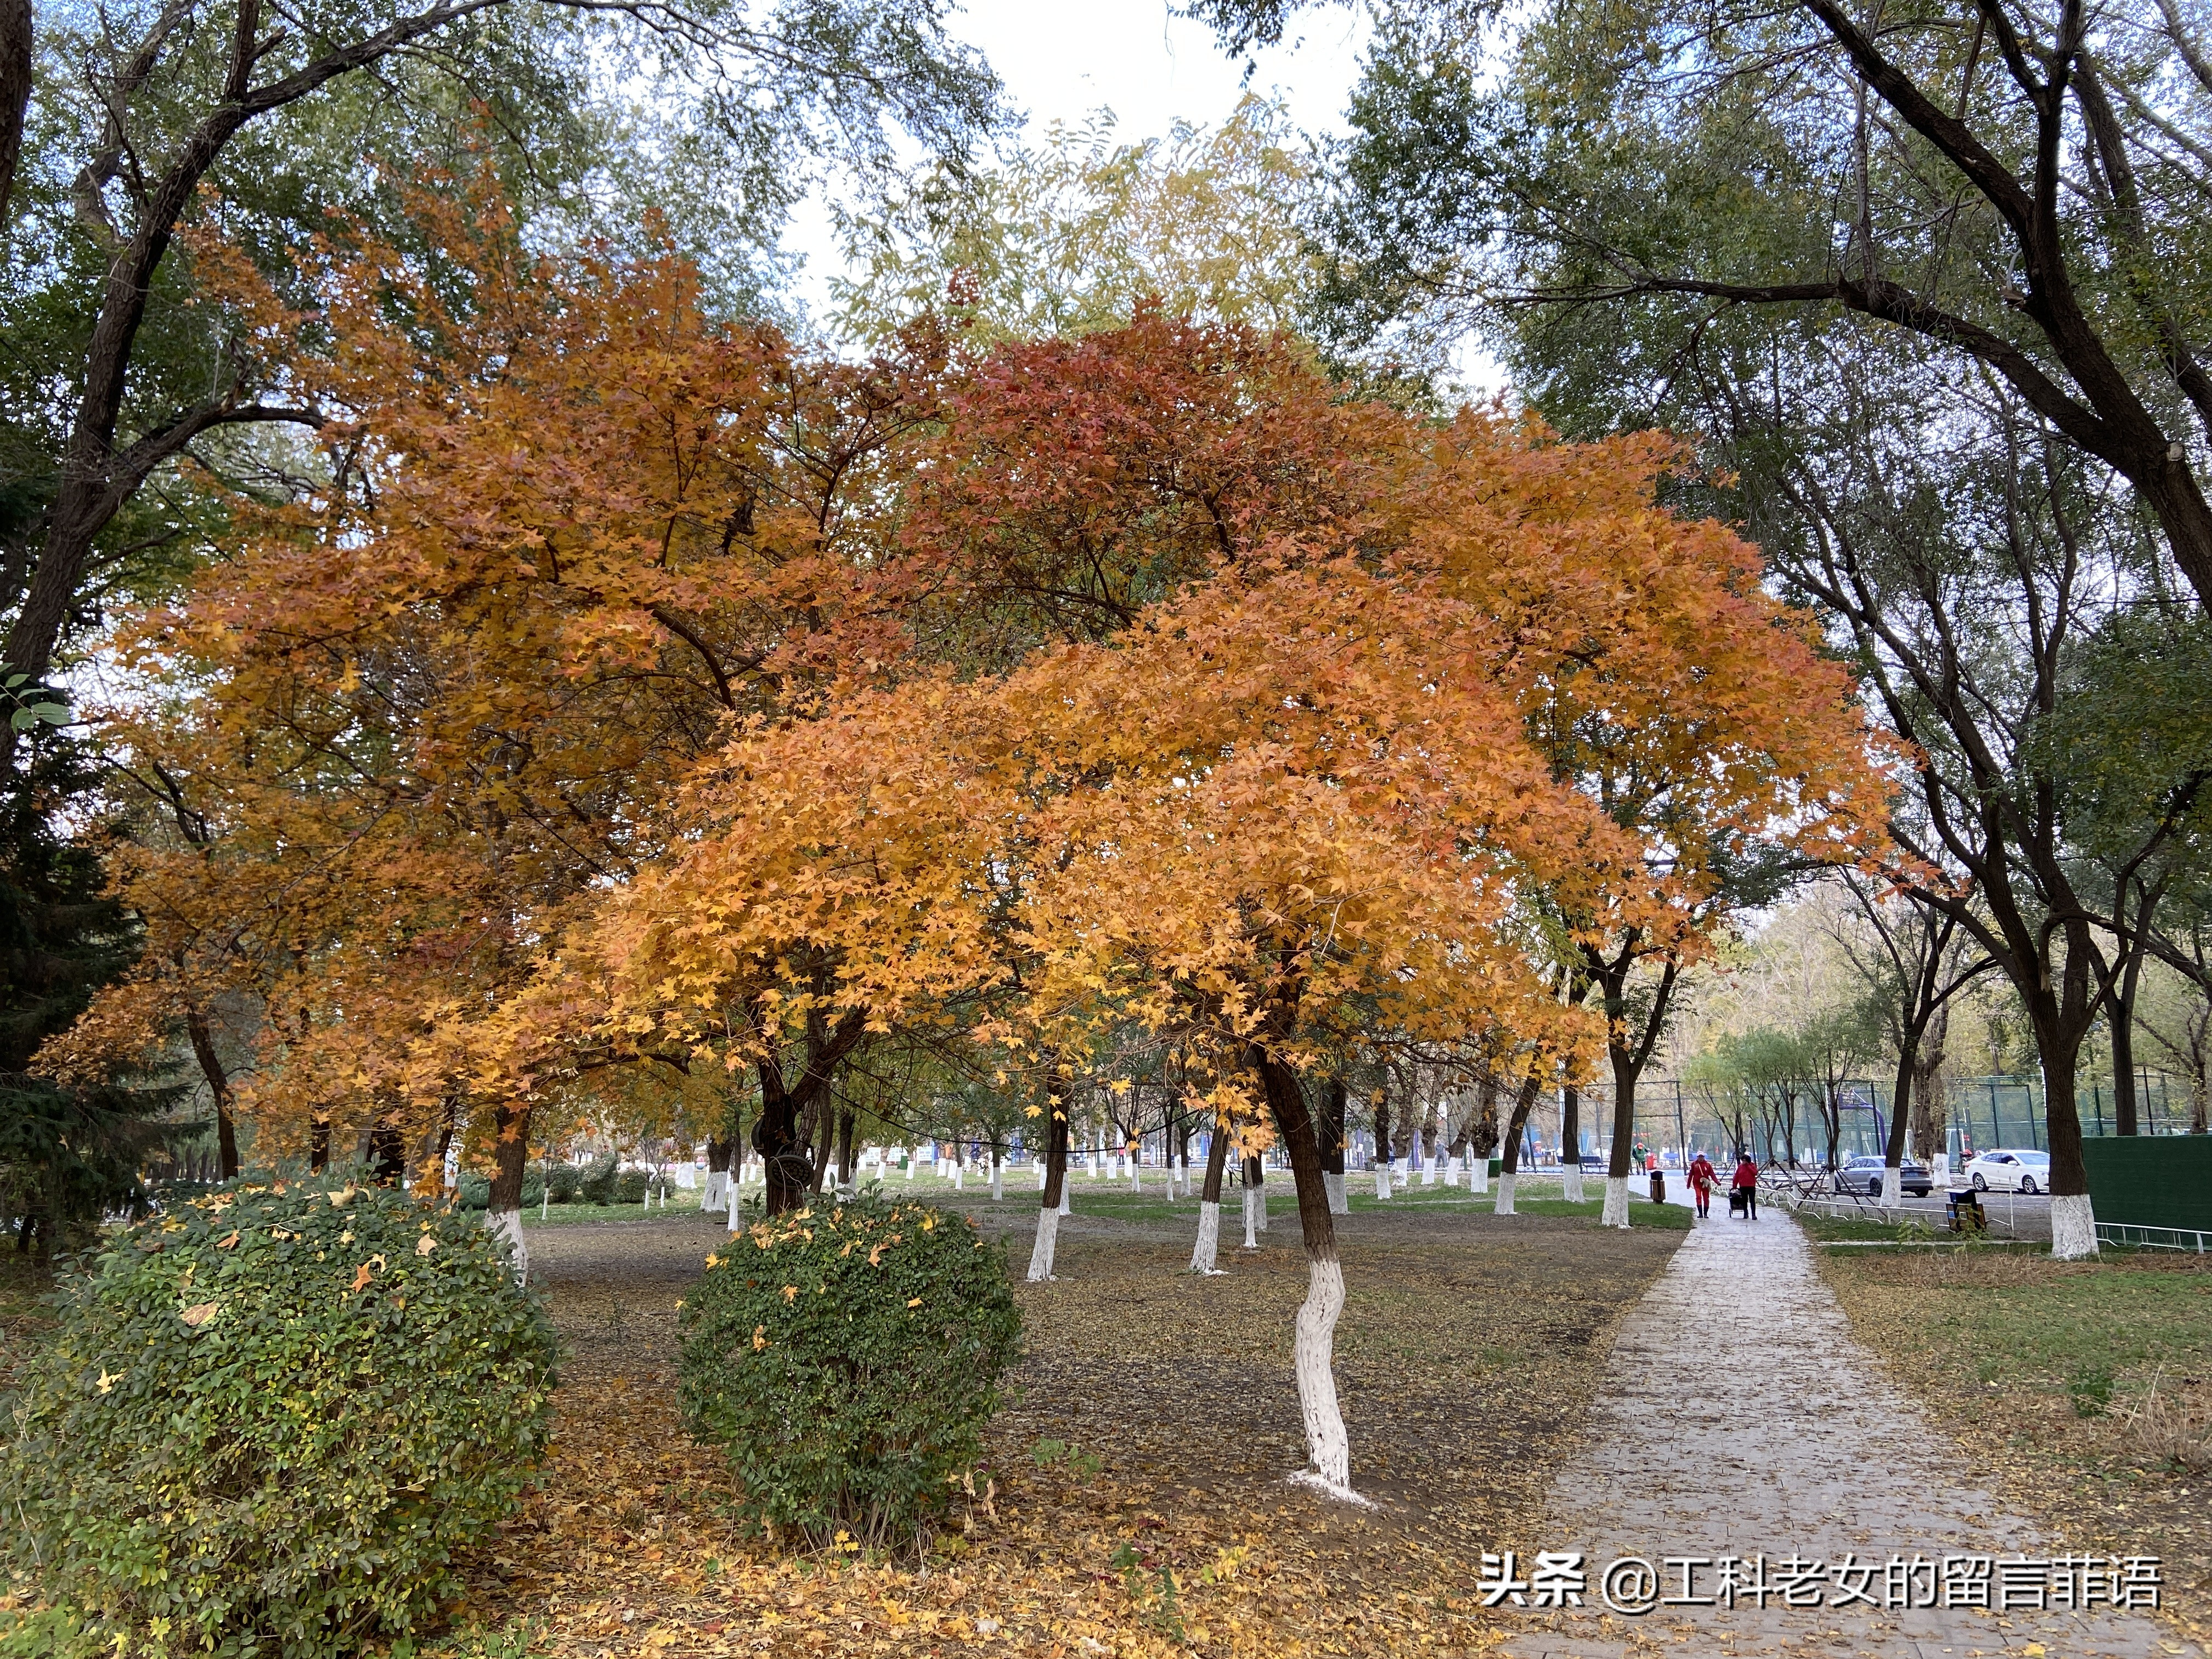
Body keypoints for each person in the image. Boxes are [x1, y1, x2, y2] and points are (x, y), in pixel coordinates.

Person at [1688, 1150, 1717, 1219]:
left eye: (1702, 1156)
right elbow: (1691, 1174)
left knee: (1706, 1198)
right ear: (1697, 1157)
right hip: (1697, 1184)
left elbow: (1712, 1174)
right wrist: (1688, 1184)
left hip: (1705, 1184)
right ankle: (1700, 1213)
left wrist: (1717, 1182)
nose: (1701, 1158)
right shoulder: (1694, 1164)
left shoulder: (1707, 1165)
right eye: (1699, 1156)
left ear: (1704, 1157)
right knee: (1698, 1197)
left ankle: (1706, 1213)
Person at [1732, 1153, 1759, 1220]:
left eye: (1744, 1161)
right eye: (1743, 1161)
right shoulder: (1740, 1167)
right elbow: (1737, 1176)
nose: (1743, 1162)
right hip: (1743, 1186)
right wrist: (1735, 1185)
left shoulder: (1752, 1166)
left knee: (1752, 1200)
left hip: (1751, 1186)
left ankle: (1754, 1214)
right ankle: (1746, 1213)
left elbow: (1755, 1173)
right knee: (1744, 1201)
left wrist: (1748, 1166)